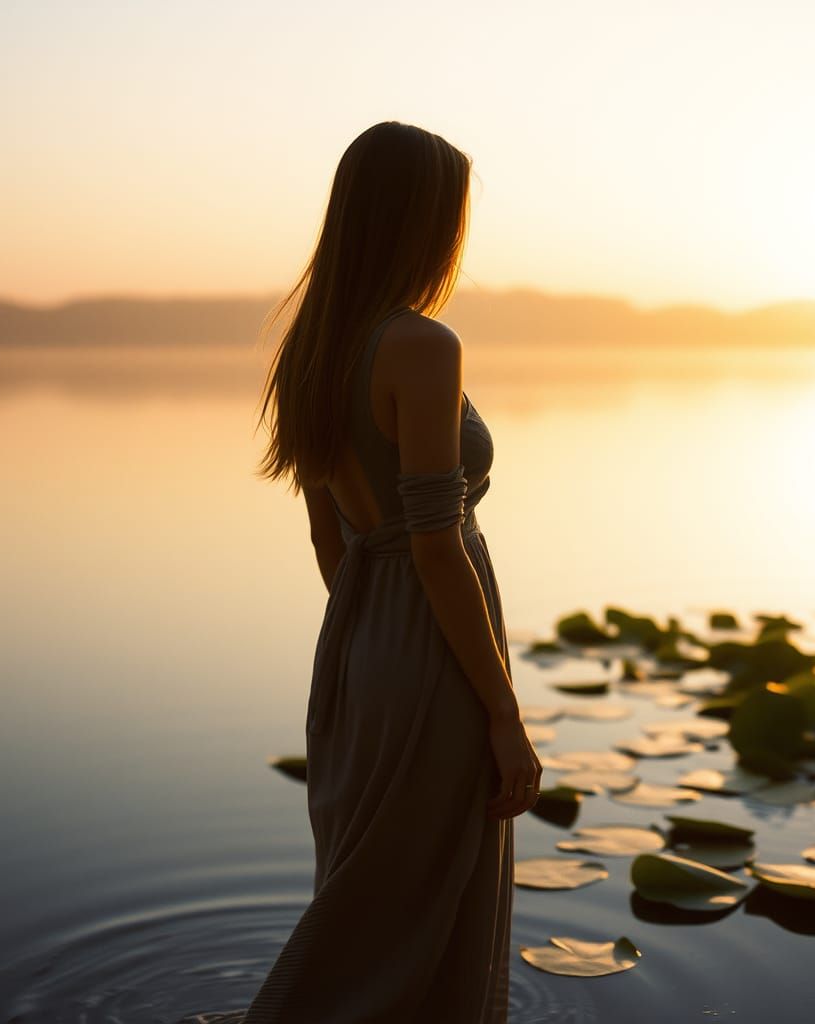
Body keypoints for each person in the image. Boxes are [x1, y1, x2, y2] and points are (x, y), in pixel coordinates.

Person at [243, 121, 541, 1022]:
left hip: (359, 643)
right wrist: (502, 714)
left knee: (372, 892)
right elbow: (436, 545)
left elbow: (327, 541)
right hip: (432, 651)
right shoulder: (422, 346)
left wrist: (376, 639)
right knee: (425, 894)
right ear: (423, 223)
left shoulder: (313, 349)